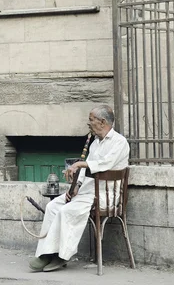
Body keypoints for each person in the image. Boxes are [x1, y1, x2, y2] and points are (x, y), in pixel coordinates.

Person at [29, 104, 129, 272]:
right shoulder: (95, 143)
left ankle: (61, 256)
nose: (88, 124)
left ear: (102, 121)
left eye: (91, 120)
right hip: (87, 191)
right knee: (53, 206)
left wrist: (81, 163)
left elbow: (105, 164)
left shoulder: (119, 142)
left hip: (104, 194)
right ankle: (46, 253)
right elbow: (84, 171)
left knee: (66, 211)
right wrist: (76, 187)